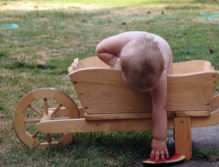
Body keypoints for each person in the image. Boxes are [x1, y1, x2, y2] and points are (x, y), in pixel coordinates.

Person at [71, 31, 173, 162]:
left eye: (150, 87)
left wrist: (159, 139)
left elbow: (160, 108)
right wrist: (116, 64)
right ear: (123, 72)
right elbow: (100, 50)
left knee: (170, 90)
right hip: (135, 46)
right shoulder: (120, 42)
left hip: (164, 48)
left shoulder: (161, 72)